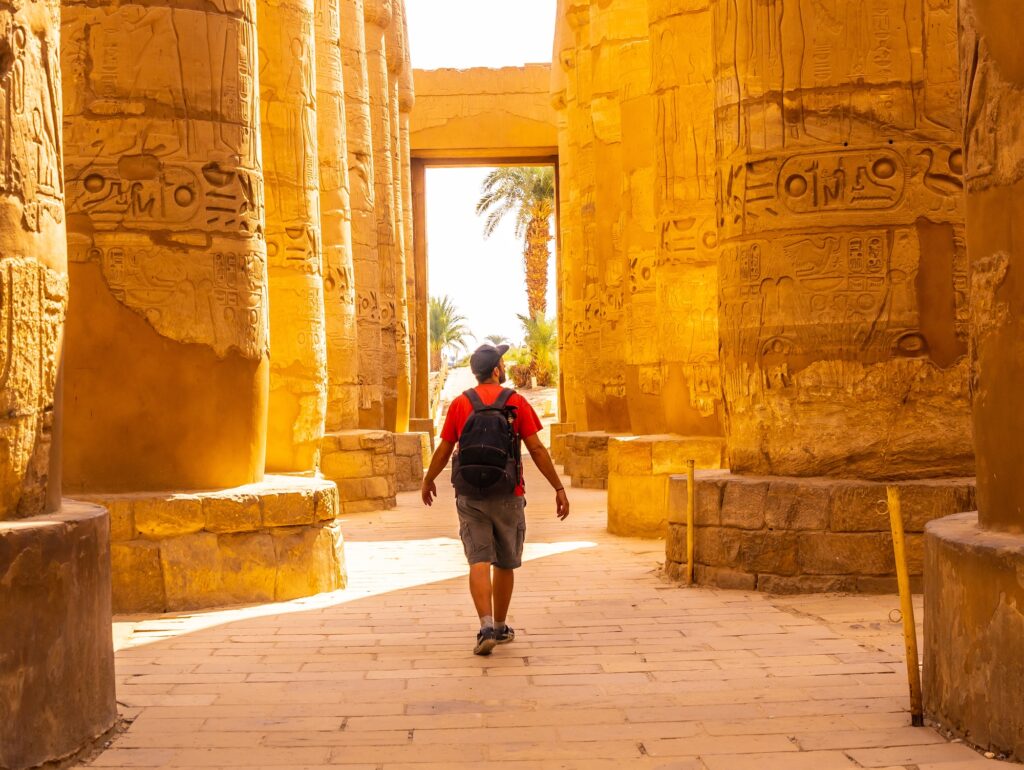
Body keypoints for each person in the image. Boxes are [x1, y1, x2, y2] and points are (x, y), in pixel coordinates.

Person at [421, 343, 570, 655]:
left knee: (478, 559)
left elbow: (445, 448)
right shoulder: (515, 402)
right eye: (501, 363)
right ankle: (501, 628)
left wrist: (429, 479)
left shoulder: (461, 405)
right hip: (508, 493)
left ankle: (486, 625)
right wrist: (558, 487)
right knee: (504, 562)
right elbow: (537, 450)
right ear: (495, 371)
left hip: (470, 494)